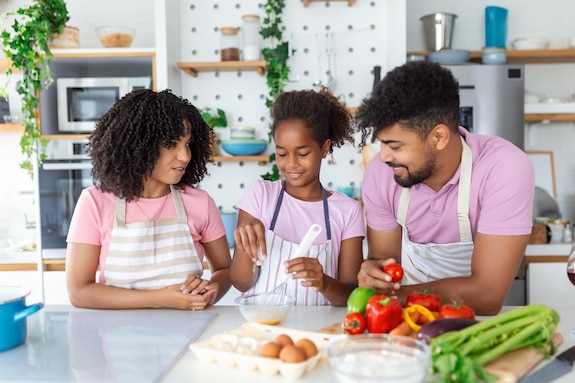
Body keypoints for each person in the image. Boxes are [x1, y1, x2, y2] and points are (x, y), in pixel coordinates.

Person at [353, 61, 534, 315]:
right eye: (381, 144)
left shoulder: (504, 167)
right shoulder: (380, 173)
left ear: (438, 137)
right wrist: (372, 273)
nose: (382, 157)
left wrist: (396, 294)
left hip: (476, 325)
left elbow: (488, 296)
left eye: (394, 146)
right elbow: (383, 264)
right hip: (406, 321)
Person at [65, 89, 231, 310]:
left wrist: (211, 290)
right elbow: (79, 291)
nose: (185, 156)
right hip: (117, 339)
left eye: (188, 144)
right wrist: (161, 298)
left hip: (188, 334)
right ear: (139, 145)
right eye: (172, 144)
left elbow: (225, 270)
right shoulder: (95, 202)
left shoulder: (200, 203)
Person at [230, 87, 365, 306]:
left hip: (318, 332)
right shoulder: (261, 195)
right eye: (282, 153)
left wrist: (324, 282)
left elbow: (350, 295)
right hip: (262, 329)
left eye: (302, 154)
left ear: (324, 148)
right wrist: (247, 245)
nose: (291, 163)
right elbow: (241, 282)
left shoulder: (347, 210)